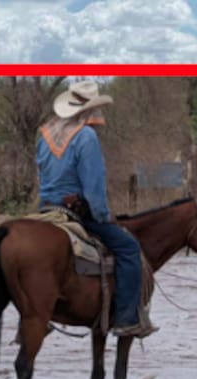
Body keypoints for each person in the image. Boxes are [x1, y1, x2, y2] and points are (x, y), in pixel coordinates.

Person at [36, 80, 156, 338]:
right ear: (89, 110)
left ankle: (36, 314)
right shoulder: (86, 136)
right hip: (76, 211)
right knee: (129, 248)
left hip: (45, 210)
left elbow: (42, 176)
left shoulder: (45, 133)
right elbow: (93, 188)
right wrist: (103, 215)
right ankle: (126, 319)